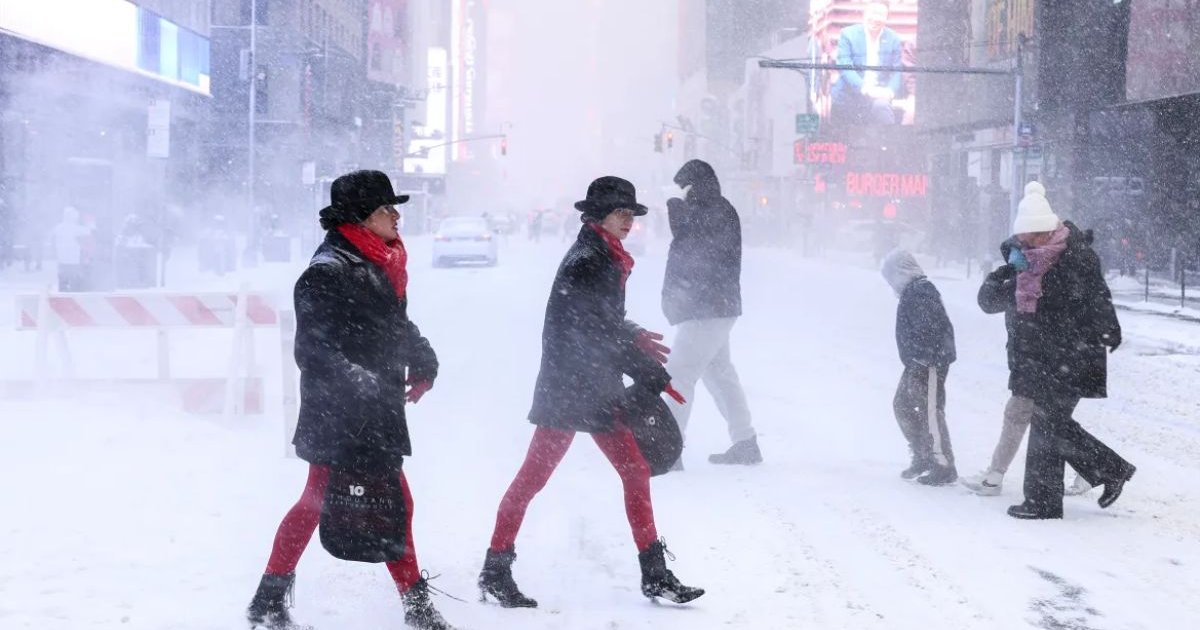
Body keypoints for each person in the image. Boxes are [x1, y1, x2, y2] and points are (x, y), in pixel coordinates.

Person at [477, 176, 704, 609]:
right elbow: (592, 331)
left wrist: (633, 336)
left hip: (596, 386)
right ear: (599, 216)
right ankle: (496, 569)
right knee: (532, 479)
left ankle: (655, 574)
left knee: (634, 471)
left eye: (631, 213)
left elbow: (602, 322)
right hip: (570, 390)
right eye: (620, 213)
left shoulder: (603, 254)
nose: (628, 221)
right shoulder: (589, 261)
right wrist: (648, 371)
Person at [245, 170, 454, 629]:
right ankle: (416, 607)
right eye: (386, 208)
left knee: (338, 500)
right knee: (382, 500)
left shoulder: (378, 261)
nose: (396, 215)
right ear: (361, 217)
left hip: (372, 410)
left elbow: (392, 325)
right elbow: (313, 350)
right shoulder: (327, 272)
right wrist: (360, 384)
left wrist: (423, 359)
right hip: (341, 414)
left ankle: (269, 599)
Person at [978, 182, 1135, 520]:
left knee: (1047, 423)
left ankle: (1046, 500)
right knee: (1051, 423)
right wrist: (1008, 274)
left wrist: (1109, 329)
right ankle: (1106, 471)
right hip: (1047, 357)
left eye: (1031, 237)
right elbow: (990, 301)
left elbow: (1095, 295)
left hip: (1073, 354)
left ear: (1047, 230)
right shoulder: (1027, 262)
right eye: (1022, 238)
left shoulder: (1073, 257)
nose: (1026, 243)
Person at [962, 235, 1091, 497]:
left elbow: (988, 301)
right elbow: (990, 302)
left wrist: (1002, 273)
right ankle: (1090, 467)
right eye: (1011, 253)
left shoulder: (1032, 280)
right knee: (1052, 423)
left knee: (1019, 417)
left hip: (1037, 365)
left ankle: (994, 477)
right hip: (1036, 364)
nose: (1015, 257)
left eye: (1019, 252)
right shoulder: (1027, 278)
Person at [661, 160, 759, 468]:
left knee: (679, 375)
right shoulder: (717, 209)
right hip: (715, 306)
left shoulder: (713, 211)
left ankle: (669, 451)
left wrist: (677, 213)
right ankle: (745, 442)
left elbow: (693, 249)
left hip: (707, 308)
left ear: (696, 186)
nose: (684, 194)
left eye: (686, 188)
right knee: (719, 374)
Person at [880, 249, 958, 485]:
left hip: (930, 361)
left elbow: (931, 329)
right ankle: (923, 454)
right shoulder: (911, 292)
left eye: (891, 278)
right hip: (916, 361)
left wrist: (925, 357)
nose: (890, 284)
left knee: (930, 410)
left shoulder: (921, 292)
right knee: (902, 404)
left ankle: (943, 464)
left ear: (901, 272)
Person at [830, 1, 904, 126]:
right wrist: (866, 88)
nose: (875, 18)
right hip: (849, 95)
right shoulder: (848, 34)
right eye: (872, 13)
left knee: (883, 111)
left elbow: (897, 71)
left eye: (881, 15)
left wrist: (889, 91)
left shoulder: (893, 38)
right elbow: (845, 66)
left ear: (887, 18)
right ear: (864, 14)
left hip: (878, 96)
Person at [49, 206, 93, 292]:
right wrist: (89, 222)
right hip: (74, 261)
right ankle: (73, 295)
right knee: (74, 285)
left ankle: (62, 295)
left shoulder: (58, 228)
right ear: (74, 217)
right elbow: (89, 231)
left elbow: (52, 240)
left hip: (61, 261)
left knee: (62, 283)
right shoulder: (76, 228)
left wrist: (54, 253)